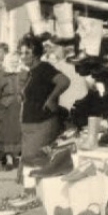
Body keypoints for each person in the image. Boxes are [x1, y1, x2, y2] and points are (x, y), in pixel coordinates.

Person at [17, 33, 70, 165]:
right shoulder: (30, 71)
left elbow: (64, 81)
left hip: (42, 123)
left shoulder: (44, 68)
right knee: (29, 163)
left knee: (37, 162)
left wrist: (51, 99)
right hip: (30, 125)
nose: (23, 56)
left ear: (36, 54)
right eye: (21, 53)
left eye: (27, 53)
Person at [0, 52, 27, 169]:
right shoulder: (2, 76)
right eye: (12, 61)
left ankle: (17, 157)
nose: (14, 63)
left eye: (16, 61)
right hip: (6, 109)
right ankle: (8, 159)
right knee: (7, 134)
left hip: (20, 107)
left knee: (19, 132)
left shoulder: (23, 74)